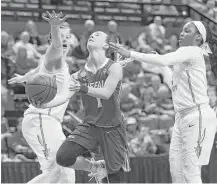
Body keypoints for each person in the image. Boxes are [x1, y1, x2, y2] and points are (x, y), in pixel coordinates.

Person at [109, 21, 217, 183]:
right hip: (182, 118)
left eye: (187, 31)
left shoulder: (193, 51)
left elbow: (164, 61)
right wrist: (159, 64)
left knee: (191, 172)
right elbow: (171, 81)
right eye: (181, 30)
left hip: (197, 115)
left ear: (198, 39)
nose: (181, 33)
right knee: (176, 172)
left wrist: (130, 53)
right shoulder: (184, 62)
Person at [43, 31, 130, 183]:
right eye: (91, 34)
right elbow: (63, 96)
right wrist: (43, 104)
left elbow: (106, 93)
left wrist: (83, 88)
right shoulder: (79, 75)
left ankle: (107, 170)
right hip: (89, 126)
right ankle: (94, 167)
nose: (92, 35)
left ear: (105, 45)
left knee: (116, 179)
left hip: (112, 128)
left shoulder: (114, 67)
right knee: (63, 157)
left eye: (97, 35)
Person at [8, 10, 75, 183]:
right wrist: (54, 26)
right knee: (60, 167)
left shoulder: (54, 61)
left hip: (47, 122)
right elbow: (57, 46)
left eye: (68, 36)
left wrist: (24, 78)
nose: (65, 39)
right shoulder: (55, 54)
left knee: (62, 172)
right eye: (61, 36)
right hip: (42, 120)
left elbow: (35, 71)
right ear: (52, 40)